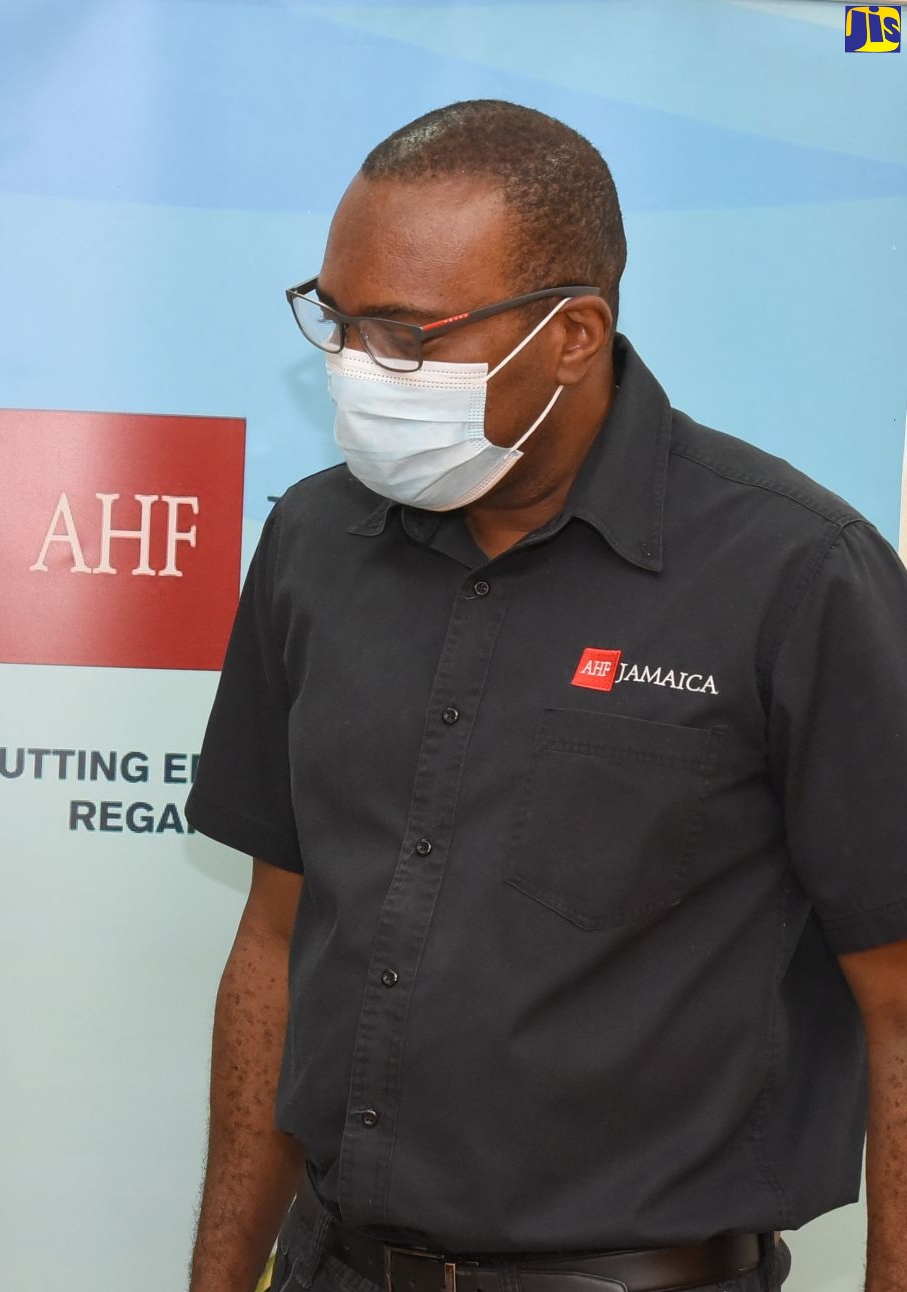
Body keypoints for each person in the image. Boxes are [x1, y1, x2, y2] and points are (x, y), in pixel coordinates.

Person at [185, 100, 907, 1292]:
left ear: (573, 333)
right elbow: (273, 936)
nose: (359, 367)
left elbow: (898, 999)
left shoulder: (793, 571)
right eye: (338, 318)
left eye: (409, 335)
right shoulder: (312, 540)